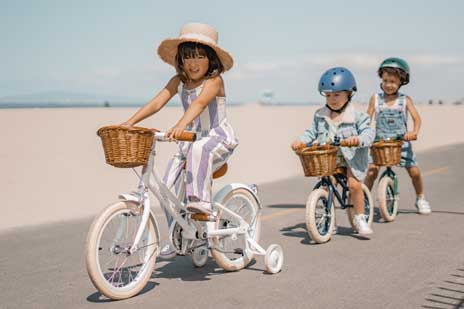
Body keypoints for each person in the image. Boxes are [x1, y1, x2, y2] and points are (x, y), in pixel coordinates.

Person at [122, 22, 238, 256]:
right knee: (166, 186)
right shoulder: (178, 81)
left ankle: (201, 202)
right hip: (189, 141)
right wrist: (130, 122)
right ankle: (180, 234)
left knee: (199, 150)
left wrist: (179, 125)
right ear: (180, 60)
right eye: (187, 57)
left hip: (216, 138)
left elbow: (199, 103)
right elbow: (156, 102)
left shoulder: (215, 81)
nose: (193, 64)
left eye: (199, 57)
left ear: (211, 60)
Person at [291, 67, 375, 236]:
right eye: (328, 95)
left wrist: (357, 139)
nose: (332, 99)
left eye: (337, 95)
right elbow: (311, 132)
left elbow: (369, 132)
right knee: (327, 185)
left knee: (354, 185)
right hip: (330, 159)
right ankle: (331, 220)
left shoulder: (358, 116)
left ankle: (360, 217)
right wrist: (301, 141)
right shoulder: (320, 115)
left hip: (352, 159)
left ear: (349, 93)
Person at [364, 57, 431, 215]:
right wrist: (364, 134)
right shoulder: (376, 99)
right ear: (381, 79)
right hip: (379, 143)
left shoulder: (404, 100)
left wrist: (413, 132)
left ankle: (420, 197)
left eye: (393, 81)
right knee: (372, 171)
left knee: (414, 171)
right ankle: (365, 198)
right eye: (385, 80)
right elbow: (367, 119)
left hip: (401, 143)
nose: (388, 85)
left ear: (401, 81)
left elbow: (417, 119)